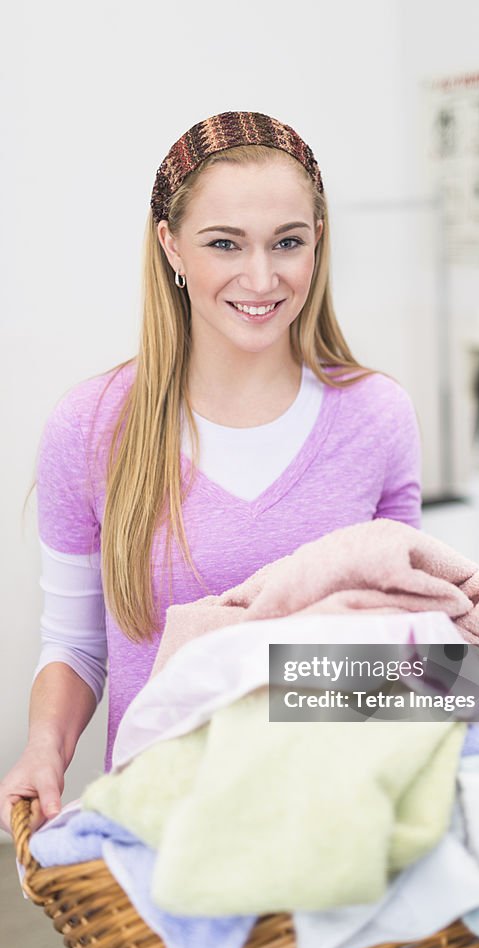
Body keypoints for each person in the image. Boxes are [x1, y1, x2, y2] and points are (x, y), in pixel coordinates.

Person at [0, 111, 421, 835]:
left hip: (336, 821)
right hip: (160, 830)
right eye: (224, 244)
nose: (260, 278)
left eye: (287, 242)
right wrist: (46, 747)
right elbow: (76, 646)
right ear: (170, 246)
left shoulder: (376, 416)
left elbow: (406, 639)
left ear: (317, 242)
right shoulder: (91, 427)